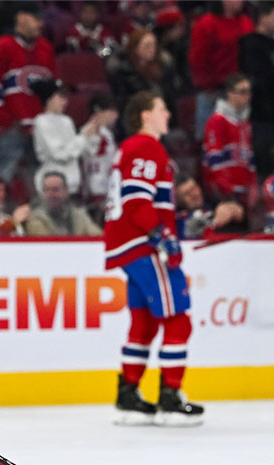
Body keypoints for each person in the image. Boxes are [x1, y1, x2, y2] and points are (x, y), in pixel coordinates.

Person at [104, 91, 203, 424]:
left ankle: (128, 396)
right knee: (178, 319)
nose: (169, 114)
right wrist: (163, 236)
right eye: (163, 108)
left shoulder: (131, 148)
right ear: (145, 114)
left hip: (131, 246)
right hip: (144, 245)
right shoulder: (146, 146)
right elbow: (137, 201)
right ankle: (170, 397)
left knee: (144, 323)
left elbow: (142, 200)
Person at [0, 2, 56, 182]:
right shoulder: (1, 47)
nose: (40, 24)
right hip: (13, 129)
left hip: (41, 129)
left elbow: (53, 91)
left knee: (40, 180)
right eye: (35, 18)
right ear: (21, 17)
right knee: (3, 178)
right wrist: (6, 122)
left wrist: (49, 121)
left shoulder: (46, 48)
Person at [188, 0, 253, 138]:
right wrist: (209, 84)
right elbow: (198, 59)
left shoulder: (246, 22)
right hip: (213, 91)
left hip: (240, 92)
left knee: (239, 138)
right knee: (209, 139)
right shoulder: (207, 23)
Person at [31, 78, 103, 196]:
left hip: (72, 187)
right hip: (51, 189)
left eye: (66, 97)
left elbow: (85, 151)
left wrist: (92, 132)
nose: (65, 101)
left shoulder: (66, 121)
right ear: (48, 98)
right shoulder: (41, 121)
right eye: (61, 97)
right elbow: (60, 155)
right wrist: (84, 136)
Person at [238, 1, 274, 177]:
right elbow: (258, 79)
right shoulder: (250, 44)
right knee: (264, 167)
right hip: (260, 116)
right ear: (263, 17)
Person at [202, 73, 256, 219]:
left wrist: (252, 186)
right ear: (230, 93)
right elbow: (215, 159)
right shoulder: (217, 121)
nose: (247, 96)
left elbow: (248, 156)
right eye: (242, 91)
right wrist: (226, 192)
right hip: (225, 195)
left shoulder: (244, 122)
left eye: (249, 91)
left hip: (242, 192)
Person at [80, 92, 119, 220]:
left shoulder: (105, 133)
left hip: (104, 189)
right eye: (112, 110)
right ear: (99, 111)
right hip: (95, 191)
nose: (116, 115)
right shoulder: (89, 132)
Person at [25, 171, 102, 236]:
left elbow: (98, 237)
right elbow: (46, 245)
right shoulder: (36, 218)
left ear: (66, 191)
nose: (50, 194)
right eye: (46, 190)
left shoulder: (78, 215)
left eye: (55, 190)